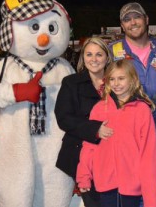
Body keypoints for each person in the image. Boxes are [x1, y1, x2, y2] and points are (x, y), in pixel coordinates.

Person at [108, 2, 156, 202]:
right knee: (125, 183)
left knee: (154, 182)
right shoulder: (112, 51)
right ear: (122, 25)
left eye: (136, 17)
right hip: (123, 128)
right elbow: (98, 86)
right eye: (127, 19)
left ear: (146, 20)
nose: (133, 22)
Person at [76, 59, 156, 207]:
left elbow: (148, 155)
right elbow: (89, 146)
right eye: (112, 79)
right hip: (105, 182)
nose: (116, 83)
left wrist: (151, 201)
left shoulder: (142, 110)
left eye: (121, 78)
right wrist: (83, 176)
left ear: (132, 79)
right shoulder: (99, 109)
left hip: (132, 184)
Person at [54, 37, 113, 207]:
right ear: (83, 58)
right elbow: (63, 118)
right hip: (81, 156)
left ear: (107, 57)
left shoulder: (116, 82)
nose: (94, 59)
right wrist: (95, 129)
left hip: (112, 155)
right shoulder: (71, 83)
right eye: (89, 54)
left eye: (99, 54)